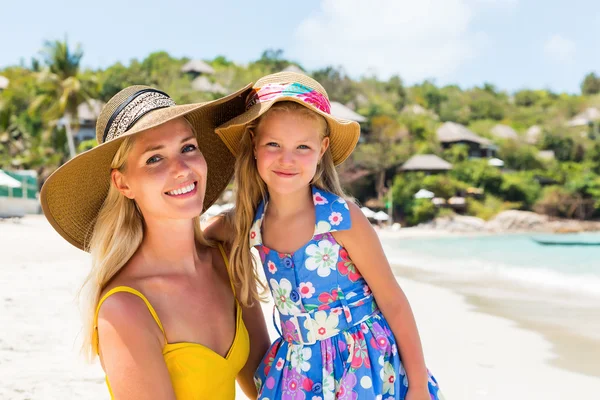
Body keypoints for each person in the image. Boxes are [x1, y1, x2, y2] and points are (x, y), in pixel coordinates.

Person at [211, 72, 443, 399]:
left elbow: (393, 300)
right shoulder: (250, 222)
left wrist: (417, 385)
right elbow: (198, 240)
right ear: (254, 144)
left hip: (365, 364)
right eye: (273, 144)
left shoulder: (341, 218)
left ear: (322, 150)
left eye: (302, 147)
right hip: (298, 372)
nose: (286, 159)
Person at [40, 84, 270, 399]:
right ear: (123, 182)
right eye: (154, 159)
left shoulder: (226, 260)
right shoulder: (126, 308)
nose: (181, 170)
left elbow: (268, 386)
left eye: (188, 147)